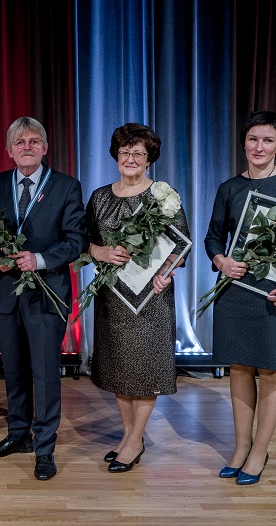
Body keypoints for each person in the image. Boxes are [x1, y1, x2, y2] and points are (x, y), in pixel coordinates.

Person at [204, 110, 276, 485]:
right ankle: (241, 447)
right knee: (239, 368)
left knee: (270, 370)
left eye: (268, 140)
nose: (259, 146)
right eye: (253, 139)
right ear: (244, 142)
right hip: (236, 291)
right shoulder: (229, 188)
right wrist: (221, 261)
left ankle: (259, 451)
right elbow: (213, 237)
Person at [0, 116, 88, 480]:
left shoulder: (66, 186)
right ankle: (18, 435)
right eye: (19, 142)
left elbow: (76, 241)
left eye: (34, 141)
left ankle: (45, 449)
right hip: (5, 293)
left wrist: (39, 260)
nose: (27, 147)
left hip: (46, 293)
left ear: (45, 148)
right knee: (13, 371)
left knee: (44, 374)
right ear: (9, 150)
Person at [85, 123, 190, 473]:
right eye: (125, 152)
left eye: (138, 153)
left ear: (149, 159)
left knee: (144, 369)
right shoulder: (100, 197)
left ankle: (133, 441)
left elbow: (181, 246)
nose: (130, 159)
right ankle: (130, 435)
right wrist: (100, 252)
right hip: (112, 295)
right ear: (115, 156)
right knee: (120, 368)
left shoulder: (163, 196)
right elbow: (84, 241)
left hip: (151, 298)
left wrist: (166, 271)